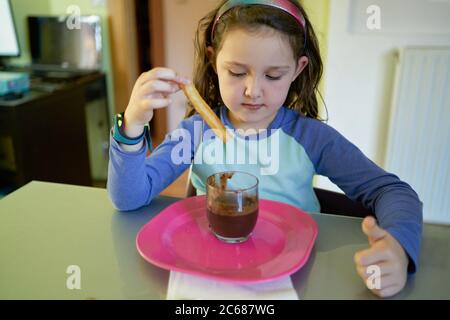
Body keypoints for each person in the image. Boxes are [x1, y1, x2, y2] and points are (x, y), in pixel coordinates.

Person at [107, 0, 422, 298]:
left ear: (297, 70)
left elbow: (392, 191)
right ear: (213, 60)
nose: (252, 91)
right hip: (209, 275)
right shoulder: (195, 133)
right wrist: (132, 125)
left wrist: (398, 246)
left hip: (295, 279)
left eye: (273, 75)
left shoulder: (312, 138)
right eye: (237, 72)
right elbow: (128, 198)